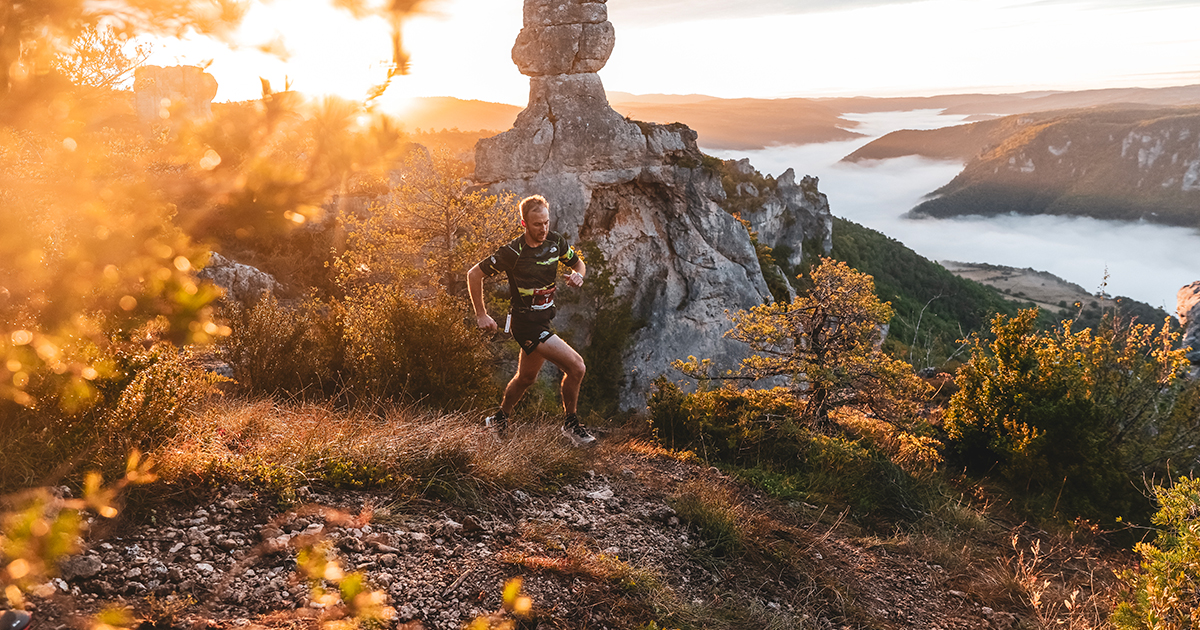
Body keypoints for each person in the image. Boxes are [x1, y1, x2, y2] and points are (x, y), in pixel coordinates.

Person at [466, 195, 596, 446]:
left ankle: (499, 420)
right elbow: (474, 274)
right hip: (526, 324)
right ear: (524, 224)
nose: (543, 229)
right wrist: (481, 314)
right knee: (577, 366)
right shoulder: (512, 252)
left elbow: (579, 264)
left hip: (543, 320)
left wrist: (579, 275)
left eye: (546, 222)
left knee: (526, 378)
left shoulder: (555, 242)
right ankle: (571, 425)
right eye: (537, 224)